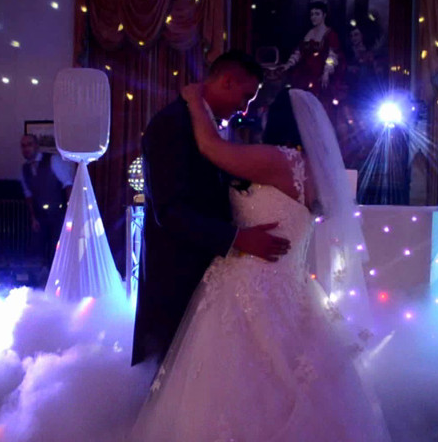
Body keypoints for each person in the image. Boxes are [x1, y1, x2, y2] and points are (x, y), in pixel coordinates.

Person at [129, 86, 390, 441]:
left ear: (276, 119)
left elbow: (211, 148)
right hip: (292, 290)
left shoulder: (276, 160)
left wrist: (194, 102)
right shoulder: (316, 171)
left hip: (245, 287)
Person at [131, 50, 291, 366]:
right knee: (172, 378)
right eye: (245, 97)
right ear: (227, 81)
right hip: (177, 274)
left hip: (208, 273)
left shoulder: (203, 124)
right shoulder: (172, 124)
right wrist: (237, 238)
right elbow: (171, 211)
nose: (244, 109)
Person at [19, 134, 74, 272]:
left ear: (36, 146)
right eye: (23, 146)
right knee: (37, 248)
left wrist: (71, 213)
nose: (26, 149)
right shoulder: (24, 169)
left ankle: (58, 279)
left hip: (58, 212)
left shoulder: (52, 160)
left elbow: (68, 185)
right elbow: (28, 195)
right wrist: (33, 218)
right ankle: (40, 280)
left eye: (29, 144)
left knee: (58, 248)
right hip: (40, 215)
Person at [278, 0, 345, 97]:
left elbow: (332, 56)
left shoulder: (330, 34)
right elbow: (298, 52)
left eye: (317, 14)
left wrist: (326, 72)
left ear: (324, 15)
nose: (313, 17)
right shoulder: (308, 33)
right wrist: (288, 65)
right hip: (303, 75)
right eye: (312, 14)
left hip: (319, 76)